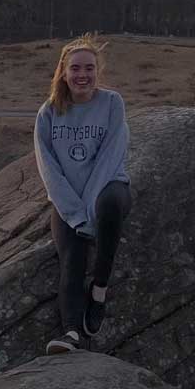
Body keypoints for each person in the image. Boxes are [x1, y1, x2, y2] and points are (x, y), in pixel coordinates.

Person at [34, 34, 131, 354]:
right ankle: (72, 332)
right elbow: (49, 171)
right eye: (75, 68)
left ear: (97, 71)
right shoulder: (48, 113)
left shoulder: (112, 103)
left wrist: (88, 209)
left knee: (110, 207)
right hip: (68, 203)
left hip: (108, 187)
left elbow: (111, 157)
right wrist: (75, 214)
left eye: (89, 68)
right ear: (63, 72)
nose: (82, 75)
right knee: (72, 259)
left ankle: (100, 289)